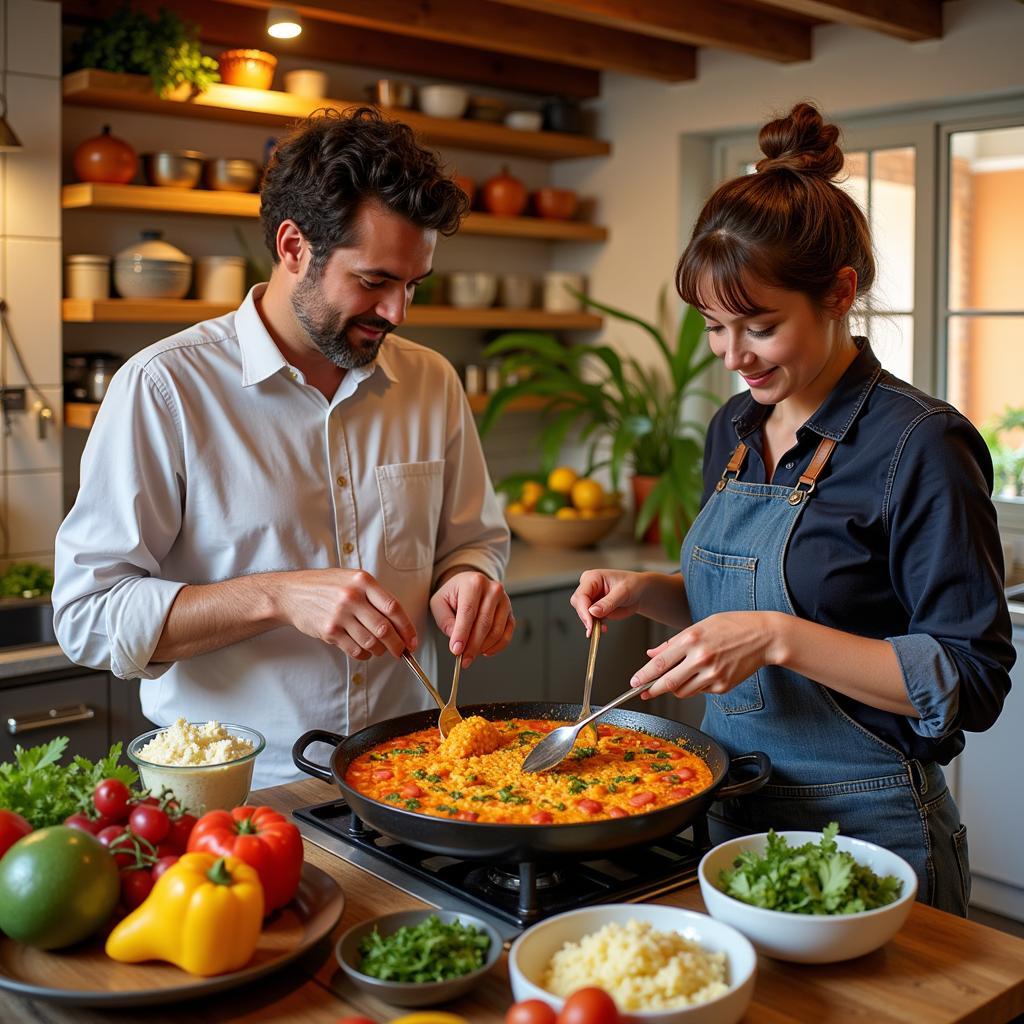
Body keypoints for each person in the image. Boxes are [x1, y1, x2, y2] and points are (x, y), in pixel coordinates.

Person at [570, 102, 1014, 915]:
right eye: (712, 326)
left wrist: (779, 638)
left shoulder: (920, 446)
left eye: (759, 326)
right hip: (727, 816)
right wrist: (652, 591)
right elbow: (746, 605)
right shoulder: (733, 428)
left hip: (871, 836)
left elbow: (971, 680)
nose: (731, 355)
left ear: (840, 292)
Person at [54, 108, 514, 787]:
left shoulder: (430, 381)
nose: (398, 313)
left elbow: (473, 540)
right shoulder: (164, 389)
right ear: (294, 246)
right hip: (238, 792)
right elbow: (88, 615)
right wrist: (275, 596)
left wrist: (469, 581)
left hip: (414, 774)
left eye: (413, 285)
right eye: (374, 281)